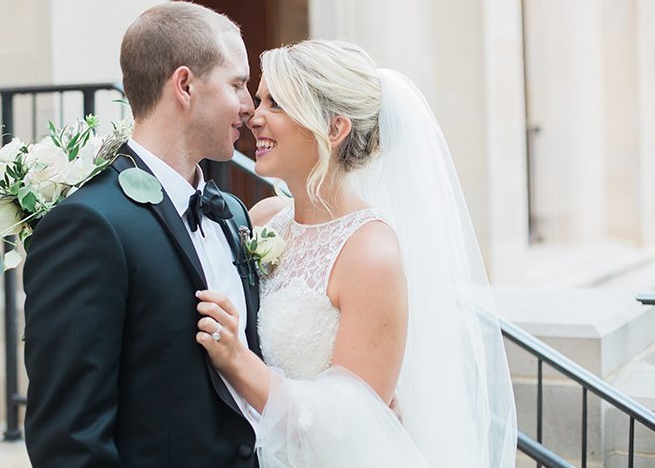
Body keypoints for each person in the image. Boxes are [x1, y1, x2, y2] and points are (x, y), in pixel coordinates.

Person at [196, 39, 518, 467]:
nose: (254, 118)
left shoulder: (370, 252)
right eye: (260, 101)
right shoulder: (263, 219)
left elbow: (351, 424)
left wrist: (238, 360)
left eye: (278, 104)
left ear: (334, 129)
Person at [22, 1, 262, 467]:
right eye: (237, 84)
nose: (249, 107)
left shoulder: (232, 214)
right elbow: (69, 441)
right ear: (186, 85)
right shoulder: (89, 225)